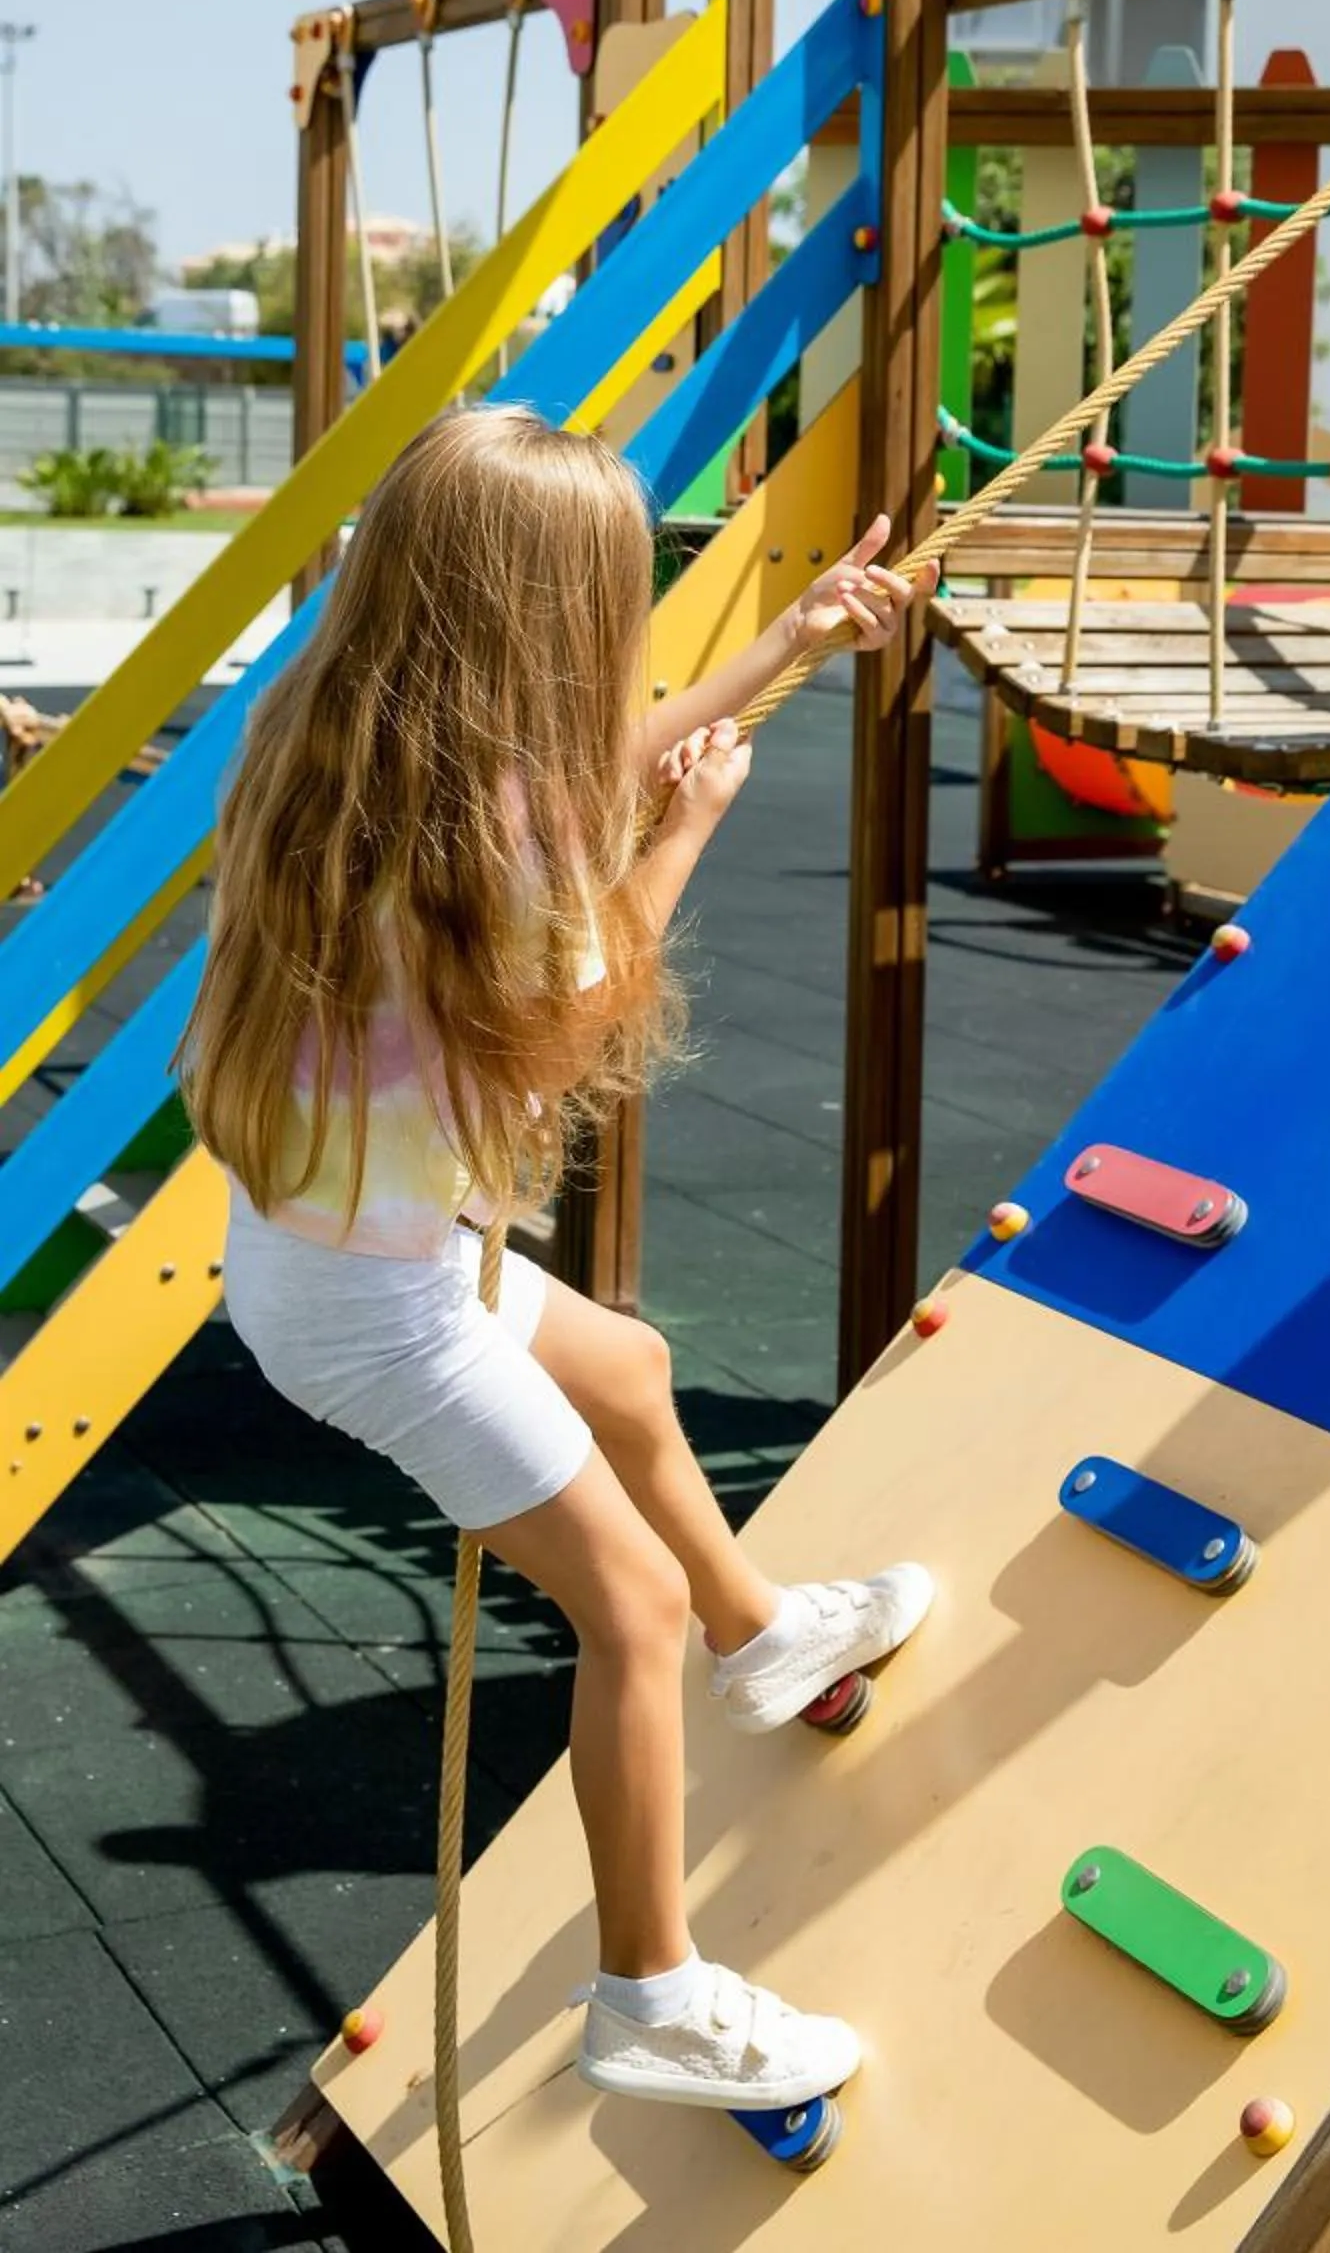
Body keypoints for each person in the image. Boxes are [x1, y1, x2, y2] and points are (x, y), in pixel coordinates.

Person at [181, 405, 937, 2113]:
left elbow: (569, 778)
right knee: (627, 1604)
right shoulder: (491, 833)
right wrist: (690, 832)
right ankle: (650, 1993)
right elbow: (562, 1036)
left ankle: (767, 1645)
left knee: (633, 1373)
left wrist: (781, 651)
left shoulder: (337, 730)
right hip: (388, 1314)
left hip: (341, 1257)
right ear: (542, 615)